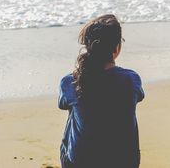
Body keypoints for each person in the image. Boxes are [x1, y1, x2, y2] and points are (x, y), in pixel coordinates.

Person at [59, 14, 144, 168]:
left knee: (74, 113)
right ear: (117, 48)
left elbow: (63, 103)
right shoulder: (131, 80)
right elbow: (139, 96)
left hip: (80, 161)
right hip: (124, 161)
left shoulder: (69, 81)